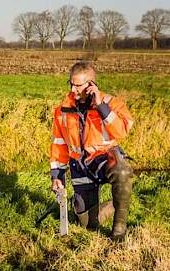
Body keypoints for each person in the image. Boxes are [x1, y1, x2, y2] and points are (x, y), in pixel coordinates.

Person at [50, 61, 134, 241]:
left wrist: (101, 107)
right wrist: (57, 175)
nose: (73, 90)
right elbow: (59, 144)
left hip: (104, 158)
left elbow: (121, 131)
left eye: (78, 85)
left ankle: (119, 230)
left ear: (91, 85)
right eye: (71, 84)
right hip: (80, 166)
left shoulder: (111, 103)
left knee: (122, 171)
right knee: (87, 224)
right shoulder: (62, 110)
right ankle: (119, 201)